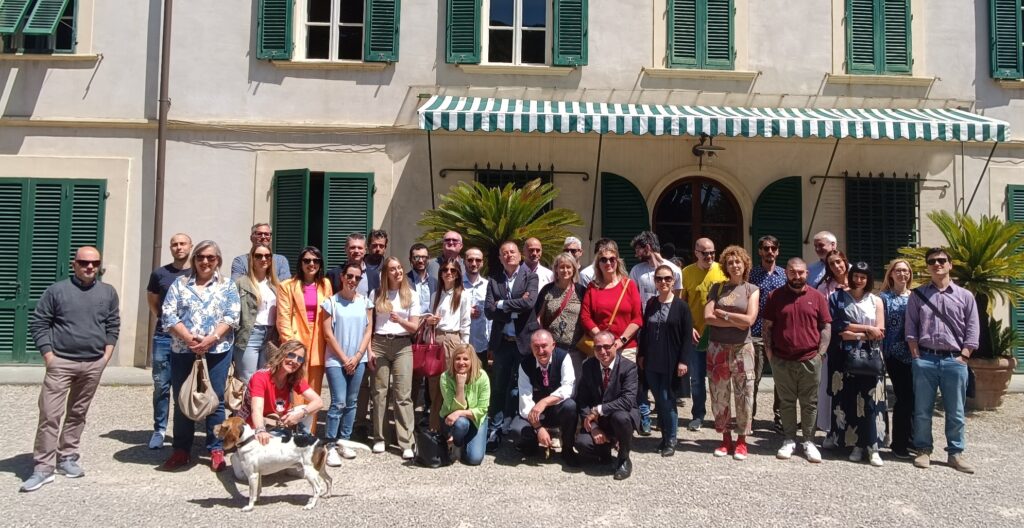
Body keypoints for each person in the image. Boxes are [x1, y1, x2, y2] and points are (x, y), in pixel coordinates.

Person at [21, 247, 120, 492]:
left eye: (94, 263)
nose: (90, 267)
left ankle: (67, 457)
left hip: (93, 363)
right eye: (84, 262)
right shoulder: (56, 291)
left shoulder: (108, 292)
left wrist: (106, 356)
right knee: (50, 415)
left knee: (78, 412)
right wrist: (49, 356)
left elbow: (112, 324)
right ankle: (43, 467)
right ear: (74, 264)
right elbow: (39, 322)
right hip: (61, 363)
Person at [160, 240, 241, 472]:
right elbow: (168, 314)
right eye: (200, 257)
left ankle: (216, 448)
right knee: (183, 398)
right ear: (194, 259)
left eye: (211, 258)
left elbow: (232, 316)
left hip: (217, 351)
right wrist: (189, 339)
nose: (205, 261)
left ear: (218, 261)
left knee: (215, 399)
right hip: (183, 350)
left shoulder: (227, 286)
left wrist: (210, 339)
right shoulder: (180, 284)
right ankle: (181, 449)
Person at [905, 247, 979, 474]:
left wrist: (964, 356)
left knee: (956, 411)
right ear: (927, 267)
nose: (937, 264)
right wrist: (916, 356)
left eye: (941, 260)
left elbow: (973, 328)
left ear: (950, 264)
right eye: (932, 261)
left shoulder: (965, 296)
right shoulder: (918, 295)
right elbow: (911, 328)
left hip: (954, 361)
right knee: (922, 410)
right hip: (925, 359)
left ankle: (955, 454)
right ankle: (923, 450)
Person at [762, 258, 831, 464]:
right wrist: (769, 353)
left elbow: (825, 326)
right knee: (787, 402)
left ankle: (809, 441)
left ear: (807, 274)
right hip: (782, 359)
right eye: (793, 272)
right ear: (786, 273)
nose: (797, 276)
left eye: (801, 272)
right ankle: (789, 439)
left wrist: (821, 354)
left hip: (810, 359)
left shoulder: (817, 297)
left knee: (810, 403)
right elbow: (767, 325)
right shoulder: (775, 296)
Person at [824, 261, 887, 467]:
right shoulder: (837, 298)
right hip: (844, 356)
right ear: (850, 277)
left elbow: (880, 331)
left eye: (863, 277)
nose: (859, 280)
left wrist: (855, 333)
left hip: (870, 357)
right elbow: (838, 327)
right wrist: (866, 330)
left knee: (869, 401)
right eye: (856, 276)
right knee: (848, 399)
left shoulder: (876, 301)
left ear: (869, 279)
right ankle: (854, 444)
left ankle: (872, 446)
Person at [579, 243, 646, 432]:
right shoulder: (593, 287)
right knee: (601, 387)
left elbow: (637, 317)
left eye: (612, 259)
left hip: (626, 346)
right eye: (603, 260)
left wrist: (620, 341)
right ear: (598, 263)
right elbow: (585, 316)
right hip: (601, 347)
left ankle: (623, 429)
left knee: (624, 390)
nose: (608, 263)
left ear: (618, 261)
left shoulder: (628, 285)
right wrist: (601, 338)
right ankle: (600, 427)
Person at [703, 246, 759, 460]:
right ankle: (725, 438)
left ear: (745, 264)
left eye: (738, 262)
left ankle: (742, 440)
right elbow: (708, 317)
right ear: (725, 266)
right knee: (719, 394)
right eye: (730, 262)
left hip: (742, 348)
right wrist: (736, 321)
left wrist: (724, 315)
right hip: (717, 348)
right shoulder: (717, 288)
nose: (735, 265)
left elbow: (749, 320)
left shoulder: (751, 289)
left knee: (744, 394)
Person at [484, 241, 539, 451]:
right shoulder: (494, 280)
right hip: (503, 343)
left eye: (512, 252)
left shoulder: (530, 277)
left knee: (519, 388)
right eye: (504, 253)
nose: (509, 255)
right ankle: (496, 428)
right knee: (499, 386)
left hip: (523, 343)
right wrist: (514, 306)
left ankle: (515, 427)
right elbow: (489, 310)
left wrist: (502, 304)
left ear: (519, 255)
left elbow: (529, 303)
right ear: (500, 258)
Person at [320, 261, 373, 464]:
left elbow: (368, 331)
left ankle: (344, 440)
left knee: (351, 403)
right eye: (349, 276)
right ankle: (330, 445)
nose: (353, 280)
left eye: (357, 278)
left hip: (358, 360)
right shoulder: (330, 303)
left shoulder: (366, 302)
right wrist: (344, 359)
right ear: (342, 277)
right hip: (336, 360)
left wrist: (358, 356)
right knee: (338, 402)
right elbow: (328, 334)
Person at [276, 246, 332, 434]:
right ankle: (291, 432)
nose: (311, 264)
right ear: (300, 263)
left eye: (316, 261)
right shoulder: (287, 286)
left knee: (313, 392)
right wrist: (291, 347)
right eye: (307, 260)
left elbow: (329, 316)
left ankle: (309, 434)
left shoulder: (325, 284)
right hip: (296, 342)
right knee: (295, 391)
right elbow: (283, 318)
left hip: (318, 343)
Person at [370, 256, 422, 460]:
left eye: (399, 268)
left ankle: (406, 441)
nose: (398, 272)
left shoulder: (411, 294)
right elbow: (369, 325)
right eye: (393, 269)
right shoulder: (376, 294)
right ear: (385, 273)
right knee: (379, 393)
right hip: (379, 343)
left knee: (403, 394)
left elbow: (414, 327)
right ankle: (380, 438)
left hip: (402, 344)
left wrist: (399, 320)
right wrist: (369, 349)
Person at [637, 264, 691, 456]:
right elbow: (644, 332)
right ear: (655, 281)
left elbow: (686, 337)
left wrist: (684, 361)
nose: (663, 282)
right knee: (659, 400)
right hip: (652, 361)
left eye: (667, 278)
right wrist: (641, 354)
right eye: (659, 278)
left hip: (671, 361)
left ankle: (671, 440)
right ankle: (664, 437)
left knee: (668, 400)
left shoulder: (682, 306)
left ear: (673, 280)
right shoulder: (651, 303)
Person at [145, 233, 192, 450]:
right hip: (164, 337)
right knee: (161, 385)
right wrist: (165, 321)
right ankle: (159, 429)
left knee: (185, 387)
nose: (179, 247)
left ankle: (183, 431)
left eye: (183, 244)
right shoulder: (160, 274)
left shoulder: (197, 273)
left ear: (190, 246)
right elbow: (153, 301)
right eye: (175, 244)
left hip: (189, 339)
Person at [575, 331, 640, 480]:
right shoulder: (588, 365)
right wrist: (594, 427)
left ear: (615, 346)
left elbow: (627, 400)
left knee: (621, 417)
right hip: (599, 421)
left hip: (621, 416)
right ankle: (605, 450)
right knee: (581, 444)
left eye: (606, 346)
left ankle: (624, 458)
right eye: (598, 347)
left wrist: (598, 410)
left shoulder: (629, 367)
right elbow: (582, 399)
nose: (602, 351)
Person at [235, 340, 324, 445]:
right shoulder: (261, 377)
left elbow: (319, 402)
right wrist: (261, 430)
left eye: (300, 359)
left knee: (305, 409)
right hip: (255, 425)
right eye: (291, 355)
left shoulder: (294, 378)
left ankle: (303, 440)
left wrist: (300, 414)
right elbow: (257, 409)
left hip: (276, 423)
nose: (295, 361)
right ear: (281, 354)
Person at [680, 237, 727, 432]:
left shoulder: (723, 271)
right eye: (704, 253)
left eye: (712, 252)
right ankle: (698, 415)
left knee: (719, 379)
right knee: (697, 379)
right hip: (696, 335)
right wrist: (688, 327)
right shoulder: (686, 272)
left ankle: (720, 417)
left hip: (718, 335)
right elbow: (681, 305)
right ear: (696, 253)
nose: (709, 256)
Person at [510, 330, 577, 463]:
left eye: (544, 346)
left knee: (570, 406)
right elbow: (525, 401)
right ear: (531, 347)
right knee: (517, 431)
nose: (540, 351)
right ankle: (534, 443)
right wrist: (539, 427)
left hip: (556, 409)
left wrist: (545, 402)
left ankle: (568, 449)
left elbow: (568, 388)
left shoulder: (564, 357)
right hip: (535, 412)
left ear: (553, 345)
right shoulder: (525, 364)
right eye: (536, 347)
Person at [423, 259, 472, 431]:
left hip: (453, 339)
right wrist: (429, 322)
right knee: (434, 385)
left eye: (453, 270)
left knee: (451, 384)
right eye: (445, 270)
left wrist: (465, 348)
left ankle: (452, 429)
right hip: (436, 339)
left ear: (458, 274)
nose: (448, 273)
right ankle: (435, 427)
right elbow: (428, 319)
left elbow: (465, 323)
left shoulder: (463, 295)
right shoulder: (435, 295)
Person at [748, 235, 786, 430]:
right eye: (765, 248)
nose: (769, 251)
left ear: (777, 251)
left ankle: (780, 418)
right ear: (760, 251)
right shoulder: (751, 275)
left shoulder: (785, 275)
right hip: (756, 333)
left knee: (781, 379)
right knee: (753, 378)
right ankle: (749, 417)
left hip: (780, 334)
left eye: (773, 248)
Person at [880, 258, 915, 459]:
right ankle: (899, 443)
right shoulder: (884, 298)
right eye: (898, 270)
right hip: (893, 354)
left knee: (915, 399)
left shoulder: (916, 297)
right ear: (891, 274)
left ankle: (911, 440)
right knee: (904, 398)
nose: (902, 274)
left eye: (906, 271)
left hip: (915, 354)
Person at [534, 252, 587, 378]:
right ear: (556, 269)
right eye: (561, 267)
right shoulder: (547, 290)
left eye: (568, 267)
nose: (565, 270)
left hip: (575, 350)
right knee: (554, 382)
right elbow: (538, 317)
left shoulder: (581, 291)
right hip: (552, 349)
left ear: (574, 269)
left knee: (575, 384)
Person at [233, 244, 280, 386]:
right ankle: (246, 402)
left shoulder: (276, 285)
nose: (263, 259)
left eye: (267, 256)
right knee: (248, 380)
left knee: (266, 379)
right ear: (251, 259)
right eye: (258, 256)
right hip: (250, 334)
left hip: (271, 336)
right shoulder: (241, 283)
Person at [439, 344, 491, 466]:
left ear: (472, 361)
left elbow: (482, 409)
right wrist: (460, 386)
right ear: (453, 360)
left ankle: (465, 442)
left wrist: (459, 412)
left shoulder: (482, 377)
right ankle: (457, 444)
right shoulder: (445, 377)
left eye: (465, 359)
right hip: (452, 422)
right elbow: (453, 409)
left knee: (475, 459)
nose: (461, 362)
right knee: (461, 423)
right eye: (457, 358)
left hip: (476, 419)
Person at [817, 249, 849, 437]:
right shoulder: (825, 288)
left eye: (839, 261)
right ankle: (831, 429)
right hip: (833, 342)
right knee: (832, 385)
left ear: (845, 261)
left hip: (855, 343)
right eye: (832, 263)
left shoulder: (857, 281)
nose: (836, 266)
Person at [629, 230, 683, 305]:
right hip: (645, 313)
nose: (636, 254)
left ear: (647, 247)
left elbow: (677, 301)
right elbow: (632, 298)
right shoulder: (636, 270)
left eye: (638, 249)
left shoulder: (674, 270)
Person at [463, 248, 491, 365]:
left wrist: (491, 343)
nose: (474, 263)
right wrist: (466, 311)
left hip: (482, 344)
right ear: (464, 261)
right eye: (470, 260)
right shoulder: (456, 285)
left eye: (478, 260)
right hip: (461, 342)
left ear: (482, 263)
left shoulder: (488, 285)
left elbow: (491, 317)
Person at [407, 243, 438, 318]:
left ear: (428, 259)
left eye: (424, 257)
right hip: (411, 323)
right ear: (410, 259)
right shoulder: (404, 281)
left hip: (430, 323)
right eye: (416, 257)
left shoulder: (435, 282)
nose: (420, 261)